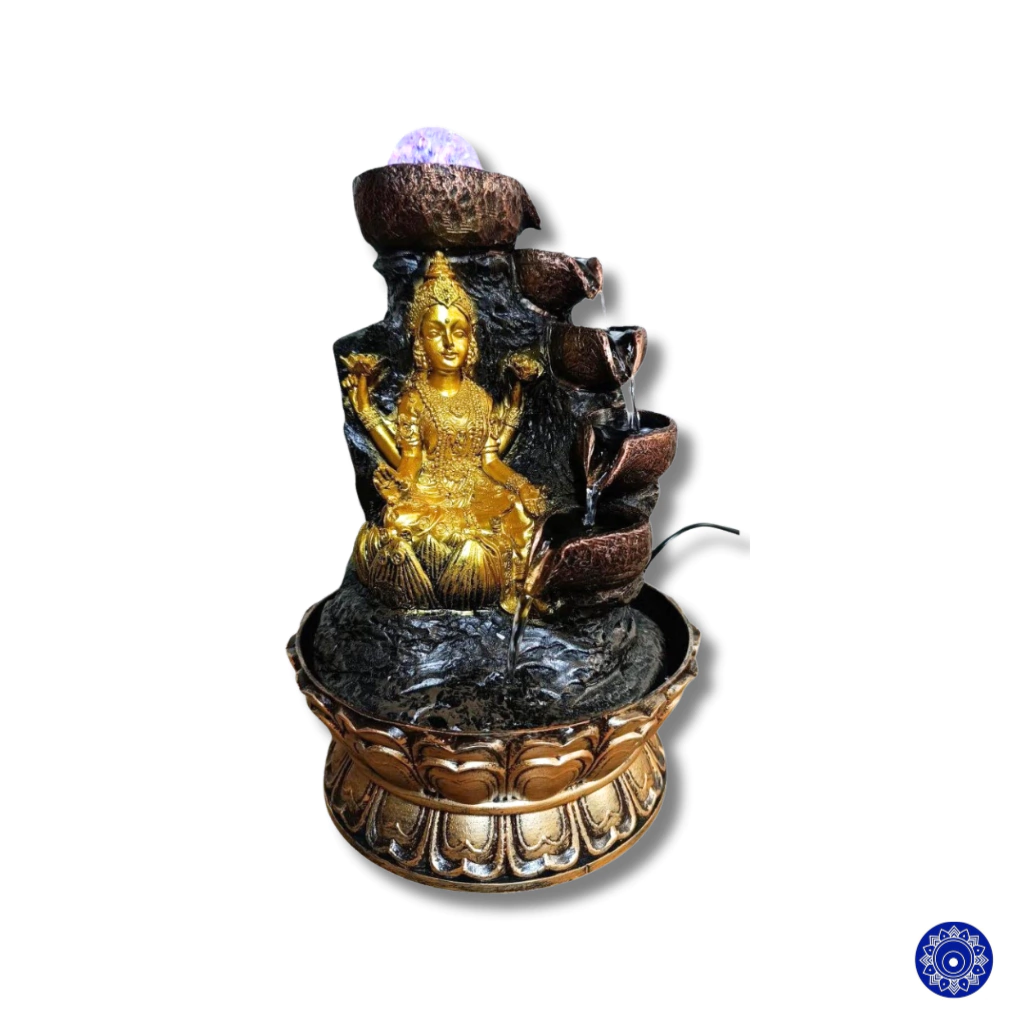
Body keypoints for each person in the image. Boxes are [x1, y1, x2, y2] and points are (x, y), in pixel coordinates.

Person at [340, 253, 545, 613]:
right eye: (436, 332)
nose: (449, 343)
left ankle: (518, 591)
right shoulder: (414, 398)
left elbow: (490, 460)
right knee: (399, 524)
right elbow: (411, 460)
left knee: (521, 516)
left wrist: (521, 486)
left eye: (459, 332)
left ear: (471, 341)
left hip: (477, 487)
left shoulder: (480, 398)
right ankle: (460, 578)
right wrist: (400, 484)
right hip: (431, 491)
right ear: (419, 341)